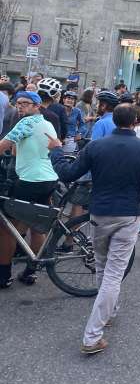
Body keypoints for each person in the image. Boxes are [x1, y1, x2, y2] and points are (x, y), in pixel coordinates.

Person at [47, 104, 140, 354]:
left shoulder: (96, 146)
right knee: (114, 273)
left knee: (102, 264)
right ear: (134, 122)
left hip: (100, 211)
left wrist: (56, 150)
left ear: (113, 120)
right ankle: (91, 336)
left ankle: (109, 313)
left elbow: (69, 173)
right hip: (129, 213)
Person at [0, 92, 60, 288]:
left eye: (26, 104)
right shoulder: (47, 123)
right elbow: (17, 150)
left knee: (6, 228)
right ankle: (31, 271)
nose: (20, 107)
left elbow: (3, 146)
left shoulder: (26, 123)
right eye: (18, 103)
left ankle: (4, 275)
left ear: (37, 106)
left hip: (30, 180)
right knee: (37, 226)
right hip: (48, 178)